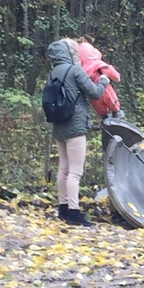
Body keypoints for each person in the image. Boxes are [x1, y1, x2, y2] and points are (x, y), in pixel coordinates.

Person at [47, 38, 110, 226]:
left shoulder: (53, 73)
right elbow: (95, 92)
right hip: (75, 126)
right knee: (75, 172)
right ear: (70, 53)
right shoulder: (75, 71)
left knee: (63, 169)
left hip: (58, 126)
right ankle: (74, 213)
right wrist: (105, 80)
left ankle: (63, 208)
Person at [78, 40, 124, 120]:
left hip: (92, 92)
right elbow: (112, 73)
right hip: (104, 88)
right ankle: (116, 112)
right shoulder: (97, 63)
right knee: (111, 99)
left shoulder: (80, 70)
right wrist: (117, 77)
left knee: (99, 106)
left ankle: (104, 117)